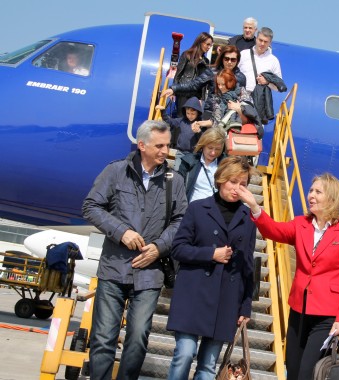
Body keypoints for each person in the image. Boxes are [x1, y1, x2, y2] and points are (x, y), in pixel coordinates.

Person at [82, 119, 188, 380]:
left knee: (138, 338)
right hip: (113, 270)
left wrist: (159, 247)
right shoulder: (116, 172)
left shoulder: (176, 181)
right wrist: (122, 232)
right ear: (142, 145)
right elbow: (91, 206)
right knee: (103, 339)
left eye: (168, 145)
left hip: (150, 273)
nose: (165, 151)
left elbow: (181, 221)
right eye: (160, 146)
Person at [237, 172, 339, 380]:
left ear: (332, 198)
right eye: (310, 190)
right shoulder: (300, 224)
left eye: (317, 192)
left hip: (327, 317)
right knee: (293, 372)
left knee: (307, 374)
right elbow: (274, 231)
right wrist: (254, 207)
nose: (310, 195)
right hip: (299, 310)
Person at [166, 156, 257, 380]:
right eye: (232, 181)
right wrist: (210, 254)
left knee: (208, 367)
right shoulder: (197, 208)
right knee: (185, 354)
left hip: (226, 299)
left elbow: (248, 264)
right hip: (194, 294)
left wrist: (246, 306)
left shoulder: (248, 218)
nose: (237, 189)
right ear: (220, 179)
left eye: (243, 184)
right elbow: (178, 249)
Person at [161, 45, 246, 104]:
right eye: (226, 59)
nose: (229, 62)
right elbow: (194, 85)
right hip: (211, 112)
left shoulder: (241, 78)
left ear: (237, 61)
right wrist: (174, 88)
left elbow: (243, 99)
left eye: (233, 60)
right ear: (222, 58)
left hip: (230, 116)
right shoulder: (212, 72)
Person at [202, 69, 262, 137]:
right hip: (222, 136)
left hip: (239, 136)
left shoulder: (241, 93)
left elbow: (250, 119)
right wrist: (201, 123)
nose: (220, 87)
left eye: (223, 84)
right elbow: (216, 121)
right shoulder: (217, 96)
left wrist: (238, 110)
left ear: (231, 82)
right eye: (218, 84)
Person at [177, 126, 226, 202]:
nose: (213, 152)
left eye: (217, 149)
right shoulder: (189, 162)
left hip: (216, 210)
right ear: (203, 145)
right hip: (192, 209)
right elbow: (178, 188)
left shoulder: (226, 164)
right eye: (210, 148)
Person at [155, 96, 207, 167]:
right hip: (179, 151)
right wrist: (163, 111)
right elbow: (170, 121)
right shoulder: (182, 121)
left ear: (198, 113)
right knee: (171, 166)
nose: (190, 116)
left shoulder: (201, 124)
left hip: (192, 154)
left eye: (193, 114)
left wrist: (198, 132)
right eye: (188, 113)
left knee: (184, 169)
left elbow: (203, 140)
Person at [172, 32, 213, 116]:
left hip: (196, 95)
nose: (209, 47)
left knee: (192, 119)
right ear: (200, 42)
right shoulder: (187, 55)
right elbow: (178, 74)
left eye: (210, 45)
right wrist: (174, 90)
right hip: (183, 92)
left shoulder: (206, 61)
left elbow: (204, 82)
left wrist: (202, 98)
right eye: (207, 44)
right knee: (181, 117)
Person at [238, 27, 282, 93]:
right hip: (241, 96)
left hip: (259, 99)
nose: (262, 44)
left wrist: (267, 82)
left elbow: (278, 87)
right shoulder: (244, 54)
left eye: (265, 42)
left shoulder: (274, 61)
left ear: (270, 43)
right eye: (260, 40)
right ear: (256, 39)